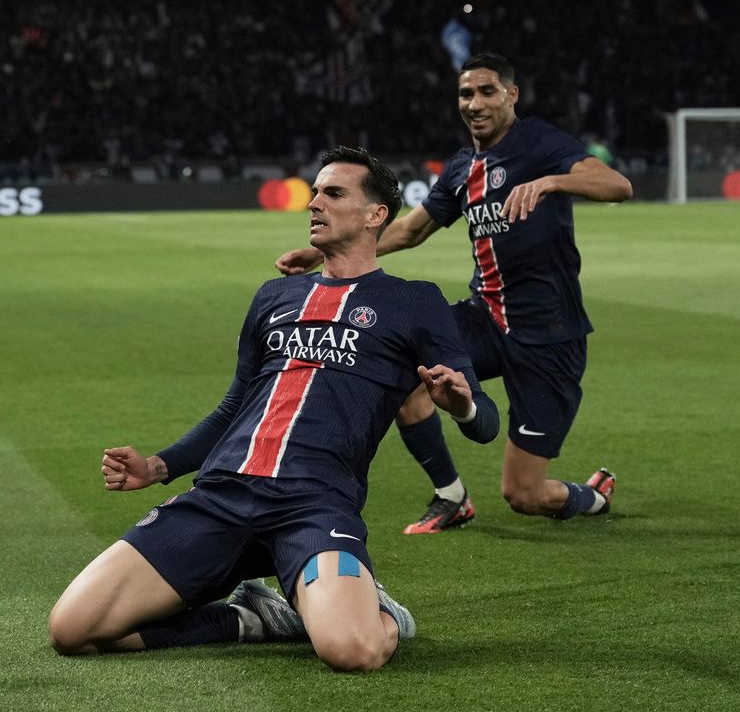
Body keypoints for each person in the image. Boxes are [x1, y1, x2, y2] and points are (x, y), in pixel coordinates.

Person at [48, 146, 500, 670]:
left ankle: (378, 610)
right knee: (73, 629)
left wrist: (462, 405)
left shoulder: (414, 301)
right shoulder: (274, 296)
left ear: (376, 214)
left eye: (333, 193)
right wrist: (157, 466)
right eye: (314, 192)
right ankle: (248, 620)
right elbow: (235, 407)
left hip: (313, 505)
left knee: (354, 651)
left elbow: (486, 423)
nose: (314, 203)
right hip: (222, 495)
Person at [277, 53, 633, 532]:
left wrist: (552, 181)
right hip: (483, 318)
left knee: (524, 494)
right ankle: (451, 495)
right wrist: (320, 253)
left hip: (549, 333)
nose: (475, 102)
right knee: (404, 369)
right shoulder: (463, 167)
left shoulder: (539, 143)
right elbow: (410, 231)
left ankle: (589, 497)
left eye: (488, 91)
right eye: (466, 93)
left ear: (512, 95)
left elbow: (617, 184)